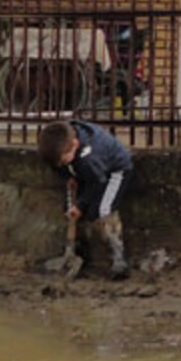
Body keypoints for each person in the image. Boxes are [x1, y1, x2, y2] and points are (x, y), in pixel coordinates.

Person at [38, 119, 134, 280]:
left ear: (74, 144)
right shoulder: (62, 143)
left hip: (114, 171)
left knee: (103, 210)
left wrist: (81, 205)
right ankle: (76, 251)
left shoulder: (90, 156)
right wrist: (67, 175)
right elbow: (57, 165)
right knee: (72, 210)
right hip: (87, 172)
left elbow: (97, 183)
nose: (60, 164)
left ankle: (118, 257)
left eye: (63, 161)